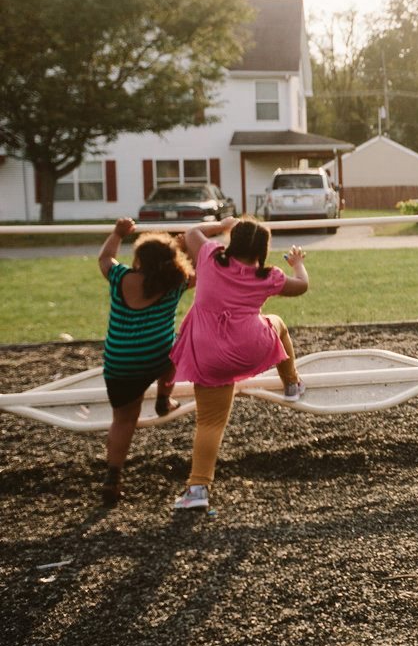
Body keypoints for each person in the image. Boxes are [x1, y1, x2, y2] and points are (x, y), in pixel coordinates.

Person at [169, 216, 309, 512]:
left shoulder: (209, 257)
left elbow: (191, 233)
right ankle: (292, 384)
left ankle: (197, 488)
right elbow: (302, 286)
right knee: (278, 323)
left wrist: (221, 225)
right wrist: (297, 263)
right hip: (250, 346)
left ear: (232, 241)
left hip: (208, 352)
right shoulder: (267, 276)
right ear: (262, 249)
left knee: (209, 422)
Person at [96, 218, 202, 507]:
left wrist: (117, 234)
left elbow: (105, 258)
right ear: (171, 261)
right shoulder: (176, 283)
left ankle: (113, 475)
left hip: (119, 362)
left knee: (124, 419)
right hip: (156, 358)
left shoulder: (121, 278)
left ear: (139, 259)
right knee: (175, 348)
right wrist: (182, 247)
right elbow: (199, 269)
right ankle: (164, 398)